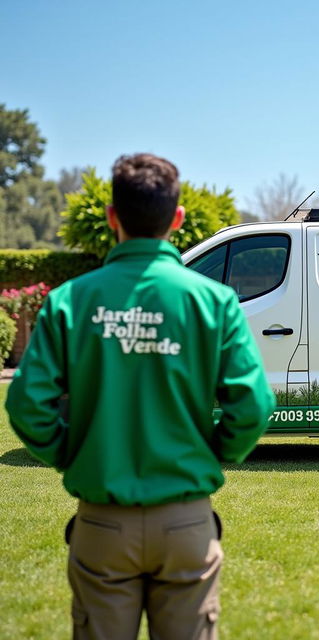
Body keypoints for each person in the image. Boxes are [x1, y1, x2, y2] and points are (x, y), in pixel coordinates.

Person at [5, 153, 275, 640]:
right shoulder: (213, 301)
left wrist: (73, 454)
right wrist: (213, 453)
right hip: (187, 521)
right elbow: (253, 405)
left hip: (101, 525)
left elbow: (26, 404)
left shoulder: (71, 301)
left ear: (112, 218)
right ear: (177, 219)